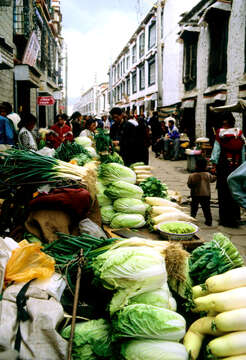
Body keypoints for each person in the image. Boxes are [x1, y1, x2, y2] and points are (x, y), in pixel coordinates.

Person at [211, 113, 245, 227]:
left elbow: (216, 151)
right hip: (236, 166)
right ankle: (236, 217)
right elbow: (243, 152)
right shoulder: (239, 133)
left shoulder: (220, 134)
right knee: (236, 190)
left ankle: (225, 219)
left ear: (224, 122)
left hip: (224, 166)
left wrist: (213, 164)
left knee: (223, 191)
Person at [187, 158, 216, 226]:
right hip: (206, 195)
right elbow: (213, 179)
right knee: (206, 209)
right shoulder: (208, 174)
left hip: (195, 194)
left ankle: (192, 218)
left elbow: (189, 185)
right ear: (205, 166)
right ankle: (209, 221)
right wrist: (215, 174)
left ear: (196, 166)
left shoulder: (192, 175)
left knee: (194, 207)